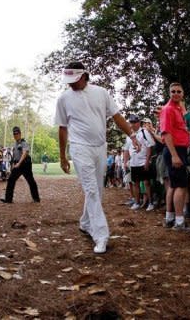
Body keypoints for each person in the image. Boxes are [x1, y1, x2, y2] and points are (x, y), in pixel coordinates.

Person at [55, 61, 139, 254]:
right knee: (91, 190)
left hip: (100, 147)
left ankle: (85, 222)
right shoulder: (64, 99)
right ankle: (101, 235)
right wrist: (62, 156)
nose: (70, 84)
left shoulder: (101, 93)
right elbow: (62, 128)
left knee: (98, 191)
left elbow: (117, 117)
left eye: (73, 80)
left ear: (84, 75)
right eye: (68, 81)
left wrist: (132, 136)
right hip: (79, 147)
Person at [160, 82, 190, 230]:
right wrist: (174, 155)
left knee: (173, 185)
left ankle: (170, 218)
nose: (176, 93)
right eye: (173, 91)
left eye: (179, 91)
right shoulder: (168, 109)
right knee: (181, 185)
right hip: (175, 150)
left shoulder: (178, 109)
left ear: (183, 93)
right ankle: (179, 222)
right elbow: (166, 133)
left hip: (179, 150)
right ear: (169, 93)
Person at [0, 126, 40, 204]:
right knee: (11, 180)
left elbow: (25, 153)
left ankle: (36, 198)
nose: (15, 135)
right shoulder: (15, 144)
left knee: (31, 181)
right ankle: (8, 199)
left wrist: (19, 163)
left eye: (17, 133)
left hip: (25, 164)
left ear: (20, 134)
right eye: (14, 134)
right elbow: (14, 156)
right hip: (17, 164)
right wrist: (14, 164)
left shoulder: (24, 143)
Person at [123, 115, 155, 211]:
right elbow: (126, 150)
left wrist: (147, 161)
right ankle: (137, 202)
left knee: (146, 182)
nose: (132, 124)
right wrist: (125, 162)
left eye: (134, 122)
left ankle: (150, 203)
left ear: (138, 123)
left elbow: (150, 146)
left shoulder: (144, 132)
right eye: (131, 122)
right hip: (134, 163)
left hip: (143, 161)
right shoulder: (129, 135)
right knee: (135, 183)